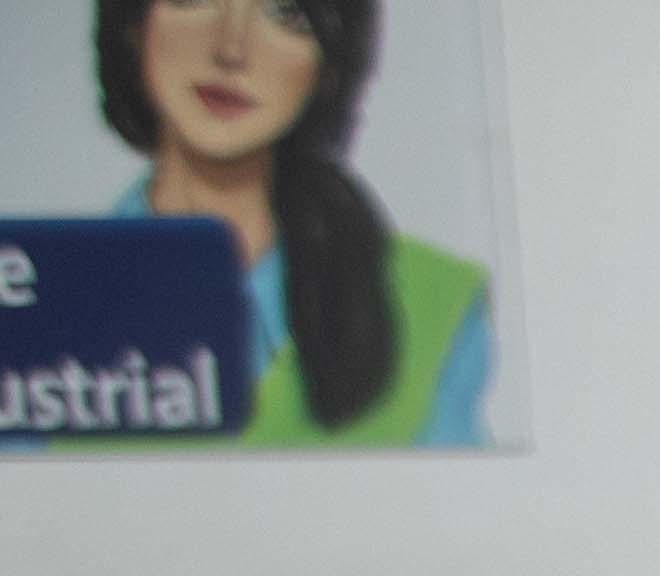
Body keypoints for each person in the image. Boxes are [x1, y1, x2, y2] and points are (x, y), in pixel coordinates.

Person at [98, 0, 491, 448]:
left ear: (329, 65)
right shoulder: (51, 291)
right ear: (134, 25)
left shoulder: (434, 304)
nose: (230, 49)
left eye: (288, 15)